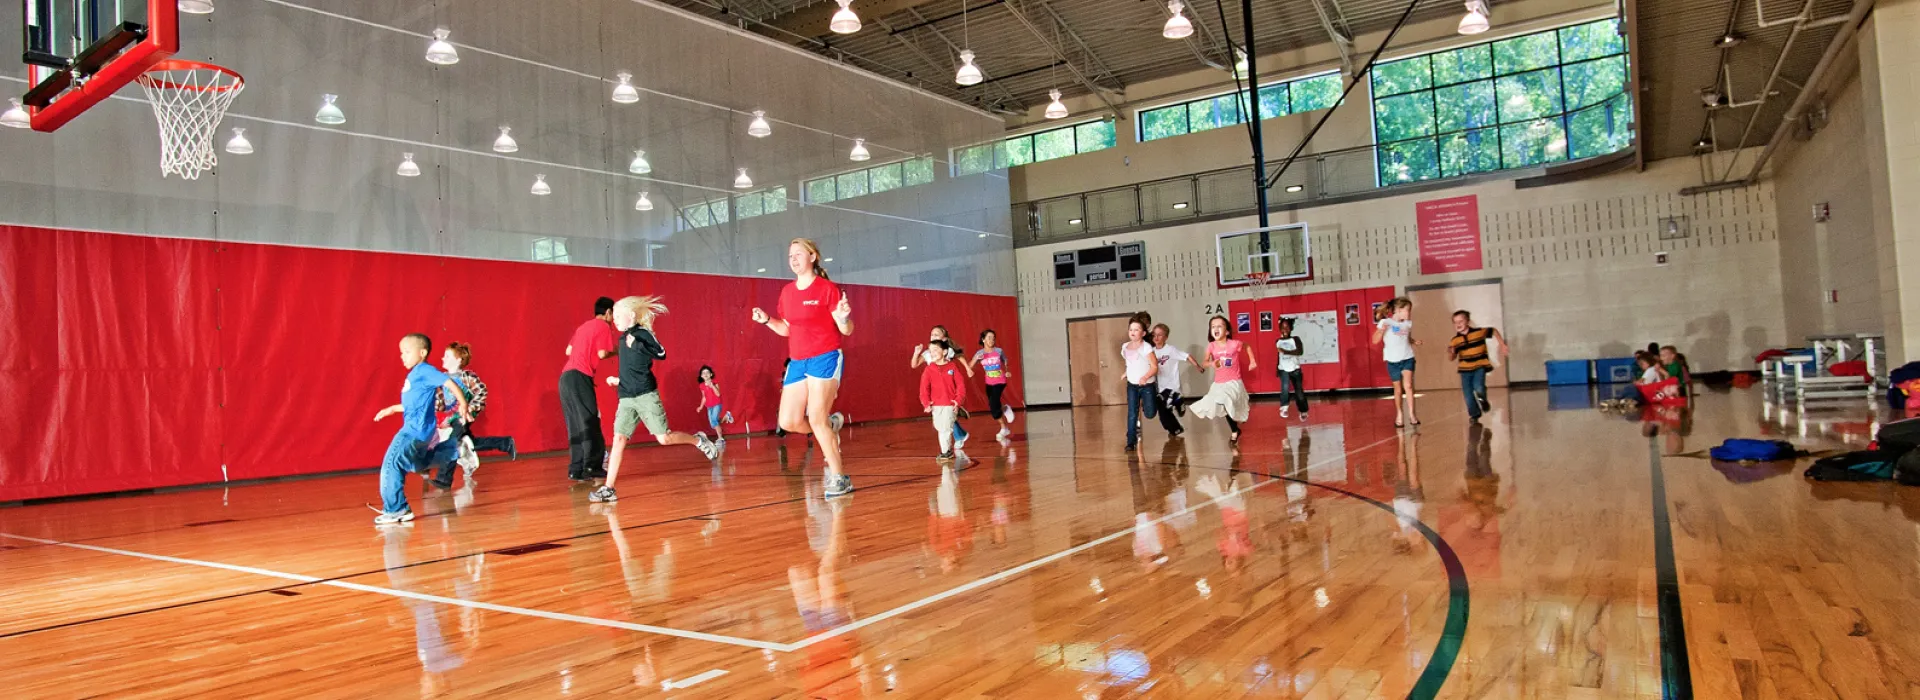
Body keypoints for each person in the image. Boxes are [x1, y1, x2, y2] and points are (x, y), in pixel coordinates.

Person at [593, 296, 722, 503]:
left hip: (646, 395)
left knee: (664, 438)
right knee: (618, 439)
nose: (614, 320)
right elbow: (631, 368)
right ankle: (609, 488)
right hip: (626, 397)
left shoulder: (642, 334)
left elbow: (661, 353)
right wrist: (618, 380)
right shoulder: (622, 340)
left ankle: (699, 440)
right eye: (613, 316)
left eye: (617, 316)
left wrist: (639, 345)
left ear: (631, 315)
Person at [752, 238, 855, 498]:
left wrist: (844, 318)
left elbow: (846, 330)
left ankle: (840, 477)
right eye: (790, 256)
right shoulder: (787, 293)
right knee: (788, 421)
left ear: (812, 257)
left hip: (825, 356)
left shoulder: (827, 289)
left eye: (798, 254)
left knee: (817, 418)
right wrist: (767, 320)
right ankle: (830, 426)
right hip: (798, 361)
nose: (793, 259)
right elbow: (787, 329)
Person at [371, 333, 472, 526]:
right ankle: (456, 450)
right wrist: (392, 409)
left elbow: (449, 382)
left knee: (391, 464)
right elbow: (415, 405)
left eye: (407, 352)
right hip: (422, 433)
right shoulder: (417, 374)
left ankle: (396, 510)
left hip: (412, 432)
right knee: (415, 464)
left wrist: (463, 404)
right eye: (401, 353)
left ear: (422, 353)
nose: (403, 356)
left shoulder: (425, 370)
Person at [428, 342, 516, 489]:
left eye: (447, 356)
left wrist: (470, 409)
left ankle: (444, 479)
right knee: (469, 443)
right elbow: (441, 403)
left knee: (452, 443)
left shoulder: (467, 377)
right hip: (452, 418)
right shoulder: (442, 379)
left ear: (458, 360)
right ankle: (505, 443)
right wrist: (441, 414)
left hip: (463, 417)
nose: (443, 358)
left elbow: (481, 392)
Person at [560, 297, 618, 481]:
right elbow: (602, 353)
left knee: (575, 424)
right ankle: (592, 466)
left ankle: (575, 469)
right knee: (590, 421)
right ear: (608, 312)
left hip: (565, 378)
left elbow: (568, 351)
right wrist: (618, 351)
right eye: (613, 314)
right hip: (580, 376)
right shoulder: (603, 326)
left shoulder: (583, 327)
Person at [1191, 315, 1257, 443]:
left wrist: (1252, 361)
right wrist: (1212, 363)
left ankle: (1236, 425)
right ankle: (1235, 430)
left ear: (1226, 331)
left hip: (1233, 381)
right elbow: (1204, 362)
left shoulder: (1234, 344)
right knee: (1223, 404)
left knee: (1228, 402)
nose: (1215, 329)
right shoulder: (1211, 346)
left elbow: (1247, 346)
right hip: (1219, 383)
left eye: (1219, 326)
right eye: (1213, 327)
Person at [913, 325, 974, 449]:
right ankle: (960, 434)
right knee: (943, 418)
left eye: (936, 334)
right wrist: (916, 353)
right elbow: (914, 364)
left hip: (947, 386)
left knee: (946, 417)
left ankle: (946, 450)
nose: (933, 336)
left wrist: (968, 368)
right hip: (936, 389)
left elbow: (959, 356)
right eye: (932, 334)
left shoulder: (948, 351)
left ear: (944, 338)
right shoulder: (927, 353)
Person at [1447, 310, 1510, 422]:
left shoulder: (1479, 332)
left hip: (1479, 366)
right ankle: (1475, 414)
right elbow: (1452, 358)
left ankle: (1483, 399)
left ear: (1468, 321)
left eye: (1461, 321)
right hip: (1465, 370)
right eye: (1455, 322)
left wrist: (1502, 344)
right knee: (1467, 394)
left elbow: (1493, 330)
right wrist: (1451, 353)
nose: (1458, 324)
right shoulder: (1455, 340)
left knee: (1478, 387)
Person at [1372, 297, 1420, 428]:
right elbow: (1375, 340)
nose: (1409, 313)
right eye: (1407, 310)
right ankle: (1399, 414)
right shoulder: (1385, 322)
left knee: (1408, 386)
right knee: (1398, 389)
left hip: (1407, 358)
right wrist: (1381, 330)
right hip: (1393, 361)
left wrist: (1413, 341)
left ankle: (1412, 414)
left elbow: (1405, 337)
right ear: (1398, 310)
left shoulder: (1407, 323)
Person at [920, 339, 969, 459]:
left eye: (935, 350)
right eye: (930, 351)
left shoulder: (952, 367)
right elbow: (924, 389)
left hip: (949, 403)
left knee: (945, 428)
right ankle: (947, 450)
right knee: (939, 427)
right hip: (936, 405)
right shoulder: (929, 369)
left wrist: (958, 400)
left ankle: (946, 452)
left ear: (945, 351)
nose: (932, 353)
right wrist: (926, 403)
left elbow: (960, 385)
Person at [1150, 323, 1201, 438]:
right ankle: (1175, 427)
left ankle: (1178, 402)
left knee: (1163, 406)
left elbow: (1187, 356)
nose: (1156, 337)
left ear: (1166, 337)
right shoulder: (1151, 352)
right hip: (1160, 386)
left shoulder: (1170, 350)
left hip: (1172, 386)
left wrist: (1197, 366)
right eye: (1154, 335)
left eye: (1160, 335)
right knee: (1164, 410)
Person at [1120, 316, 1159, 452]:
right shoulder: (1125, 347)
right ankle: (1130, 442)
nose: (1133, 332)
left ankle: (1154, 401)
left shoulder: (1146, 347)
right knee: (1132, 413)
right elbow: (1131, 363)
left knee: (1150, 413)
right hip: (1132, 386)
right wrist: (1126, 373)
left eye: (1136, 330)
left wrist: (1145, 377)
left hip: (1147, 386)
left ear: (1143, 333)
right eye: (1131, 329)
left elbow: (1154, 367)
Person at [970, 330, 1016, 441]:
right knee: (993, 406)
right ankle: (1004, 421)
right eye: (989, 337)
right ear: (983, 339)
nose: (992, 340)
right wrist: (976, 359)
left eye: (993, 338)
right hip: (989, 382)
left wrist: (1007, 371)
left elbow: (1005, 361)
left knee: (994, 402)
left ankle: (1004, 421)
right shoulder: (980, 353)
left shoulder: (999, 351)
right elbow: (970, 366)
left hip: (1000, 381)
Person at [1273, 317, 1308, 421]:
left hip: (1295, 369)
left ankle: (1303, 410)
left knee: (1299, 391)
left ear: (1291, 328)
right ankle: (1284, 408)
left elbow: (1300, 352)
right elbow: (1279, 356)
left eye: (1287, 327)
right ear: (1280, 329)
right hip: (1283, 369)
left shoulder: (1295, 339)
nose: (1285, 329)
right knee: (1285, 387)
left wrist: (1285, 351)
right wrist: (1277, 369)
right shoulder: (1278, 341)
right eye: (1283, 327)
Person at [696, 365, 732, 441]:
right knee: (713, 424)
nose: (705, 374)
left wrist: (712, 386)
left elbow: (718, 394)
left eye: (707, 372)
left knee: (714, 421)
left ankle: (720, 438)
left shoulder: (714, 383)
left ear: (711, 374)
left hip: (717, 404)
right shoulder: (702, 385)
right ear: (701, 376)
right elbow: (704, 397)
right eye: (703, 373)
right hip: (709, 406)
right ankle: (726, 417)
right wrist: (700, 407)